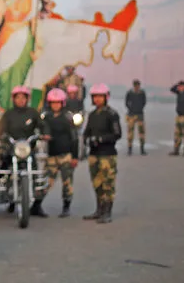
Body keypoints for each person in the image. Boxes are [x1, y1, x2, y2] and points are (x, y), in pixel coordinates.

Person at [32, 88, 78, 218]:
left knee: (67, 183)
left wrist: (74, 156)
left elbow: (74, 138)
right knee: (46, 182)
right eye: (53, 102)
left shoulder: (68, 118)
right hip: (50, 155)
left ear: (63, 103)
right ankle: (36, 206)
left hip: (66, 155)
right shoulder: (45, 117)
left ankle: (66, 207)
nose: (55, 105)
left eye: (58, 102)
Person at [0, 86, 50, 177]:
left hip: (28, 146)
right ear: (13, 99)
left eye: (23, 97)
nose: (21, 100)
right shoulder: (8, 114)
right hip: (10, 145)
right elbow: (0, 128)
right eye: (18, 97)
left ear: (27, 99)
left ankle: (36, 183)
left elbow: (42, 125)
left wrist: (46, 134)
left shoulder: (33, 112)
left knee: (37, 162)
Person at [82, 83, 121, 224]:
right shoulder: (92, 115)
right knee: (97, 183)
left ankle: (107, 212)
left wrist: (101, 139)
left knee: (107, 184)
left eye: (100, 96)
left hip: (107, 154)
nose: (98, 99)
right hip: (94, 154)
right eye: (95, 97)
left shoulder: (112, 114)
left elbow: (117, 134)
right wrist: (85, 140)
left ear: (106, 97)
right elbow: (86, 132)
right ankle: (99, 210)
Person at [169, 80, 184, 157]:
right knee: (177, 134)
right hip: (178, 116)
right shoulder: (179, 92)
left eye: (180, 86)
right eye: (179, 87)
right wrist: (177, 85)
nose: (179, 88)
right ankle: (176, 150)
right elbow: (172, 89)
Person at [125, 79, 147, 156]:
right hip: (131, 114)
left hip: (140, 115)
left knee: (142, 132)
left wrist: (140, 108)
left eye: (138, 85)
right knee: (130, 133)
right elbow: (126, 102)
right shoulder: (130, 93)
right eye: (135, 85)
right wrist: (130, 108)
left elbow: (144, 102)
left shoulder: (142, 93)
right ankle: (130, 149)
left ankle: (142, 148)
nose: (137, 87)